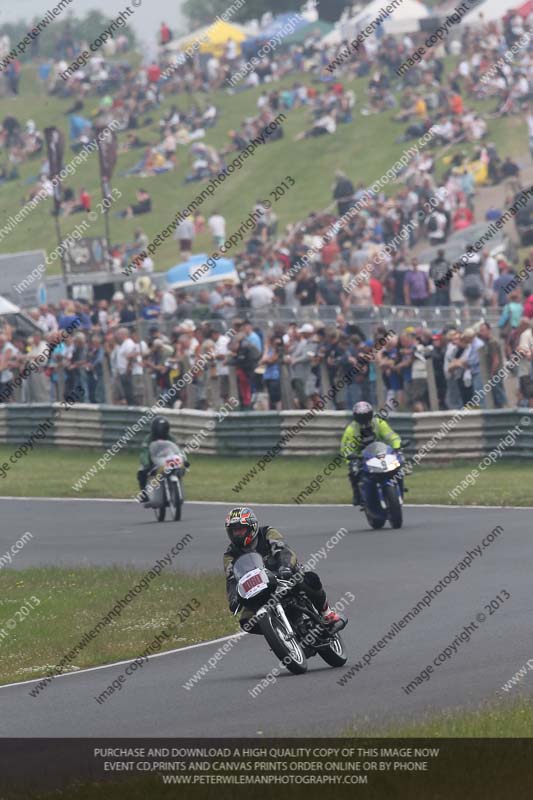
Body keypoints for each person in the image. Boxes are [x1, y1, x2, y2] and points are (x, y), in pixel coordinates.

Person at [223, 507, 344, 630]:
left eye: (240, 530)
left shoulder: (267, 532)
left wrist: (285, 567)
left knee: (311, 579)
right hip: (259, 589)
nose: (236, 534)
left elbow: (284, 550)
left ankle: (326, 613)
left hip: (283, 575)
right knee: (246, 621)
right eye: (233, 531)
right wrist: (234, 597)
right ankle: (279, 633)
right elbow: (231, 578)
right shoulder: (230, 554)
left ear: (251, 527)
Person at [340, 401, 401, 506]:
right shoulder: (351, 429)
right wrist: (352, 458)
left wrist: (397, 447)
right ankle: (357, 494)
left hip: (380, 452)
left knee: (398, 463)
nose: (364, 420)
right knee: (354, 471)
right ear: (355, 417)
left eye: (366, 416)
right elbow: (346, 448)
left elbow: (392, 436)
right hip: (360, 456)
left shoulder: (378, 423)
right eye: (361, 417)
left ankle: (398, 486)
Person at [137, 416, 189, 502]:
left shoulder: (171, 438)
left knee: (180, 468)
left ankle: (176, 489)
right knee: (141, 471)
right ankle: (144, 493)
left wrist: (183, 460)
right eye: (159, 429)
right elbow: (144, 452)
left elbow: (177, 450)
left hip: (167, 459)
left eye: (163, 429)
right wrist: (146, 463)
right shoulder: (148, 438)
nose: (160, 431)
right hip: (153, 460)